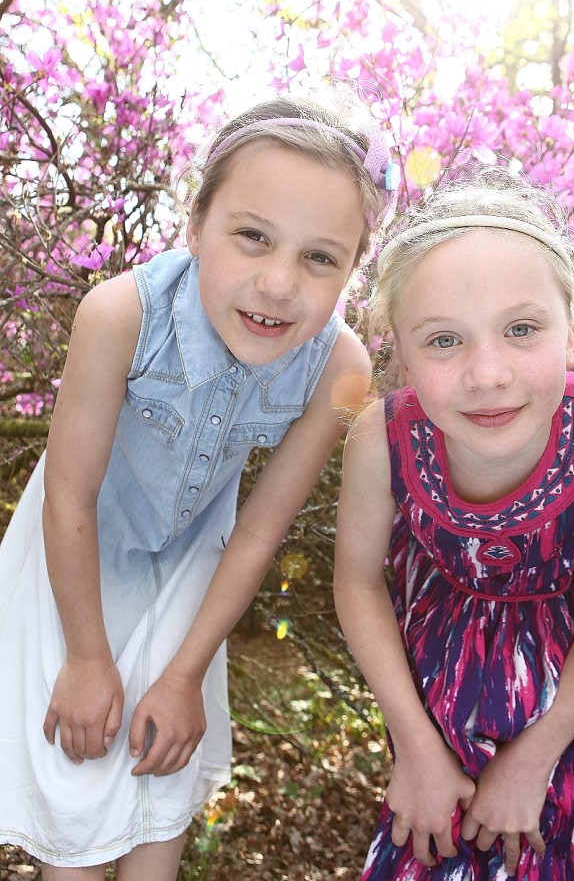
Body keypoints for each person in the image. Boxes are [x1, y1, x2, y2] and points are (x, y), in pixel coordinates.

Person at [0, 90, 399, 879]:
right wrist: (87, 657)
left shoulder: (343, 369)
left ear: (355, 269)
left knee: (162, 769)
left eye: (321, 257)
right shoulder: (119, 314)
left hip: (194, 566)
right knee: (80, 783)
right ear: (195, 224)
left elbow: (259, 529)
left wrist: (185, 673)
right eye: (253, 236)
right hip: (74, 556)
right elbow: (71, 497)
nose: (278, 282)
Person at [334, 170, 574, 881]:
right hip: (431, 713)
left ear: (572, 330)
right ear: (400, 350)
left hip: (565, 718)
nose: (487, 373)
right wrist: (416, 746)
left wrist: (535, 758)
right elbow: (358, 582)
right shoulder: (383, 439)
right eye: (444, 340)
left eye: (521, 329)